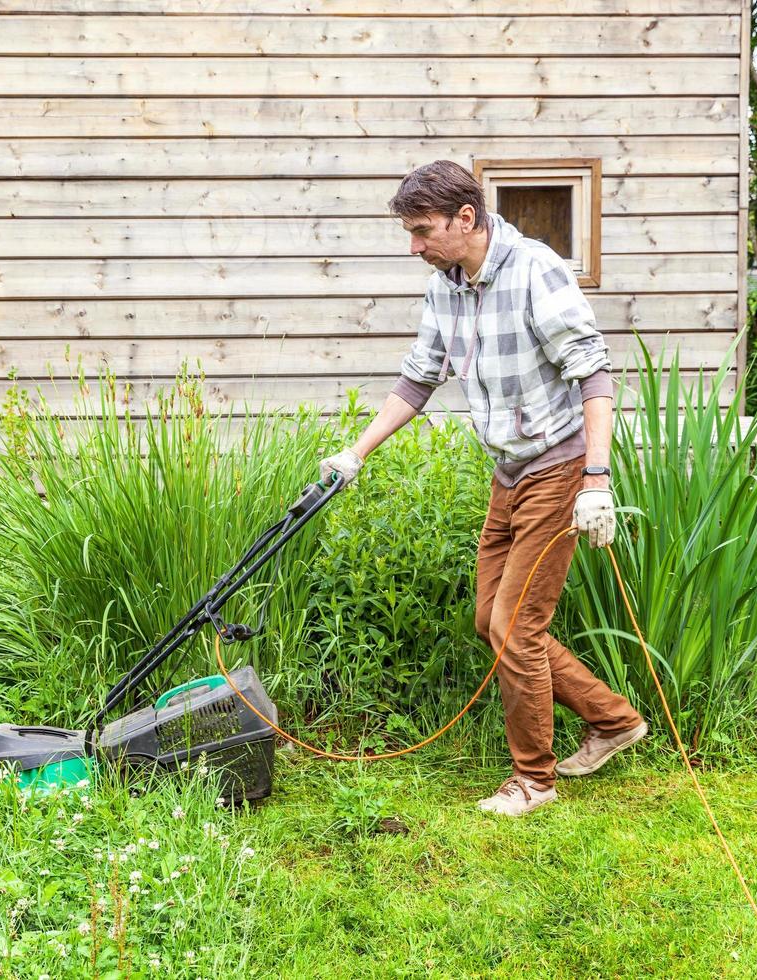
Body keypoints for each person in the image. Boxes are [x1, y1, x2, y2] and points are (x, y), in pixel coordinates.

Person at [317, 160, 648, 817]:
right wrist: (353, 454)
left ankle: (534, 781)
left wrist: (598, 479)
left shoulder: (534, 271)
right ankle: (612, 720)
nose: (414, 246)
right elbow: (419, 378)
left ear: (465, 218)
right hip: (509, 472)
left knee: (515, 627)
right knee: (488, 620)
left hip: (559, 470)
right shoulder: (447, 285)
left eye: (422, 231)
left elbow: (594, 373)